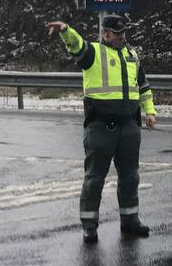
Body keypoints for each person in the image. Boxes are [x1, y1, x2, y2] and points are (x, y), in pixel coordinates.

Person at [44, 13, 157, 244]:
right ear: (105, 33)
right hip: (100, 127)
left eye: (123, 32)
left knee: (130, 177)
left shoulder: (132, 55)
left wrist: (150, 111)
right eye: (116, 33)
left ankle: (130, 220)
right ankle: (89, 226)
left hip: (128, 127)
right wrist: (66, 30)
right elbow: (77, 47)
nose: (121, 36)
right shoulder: (93, 52)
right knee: (95, 178)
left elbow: (143, 86)